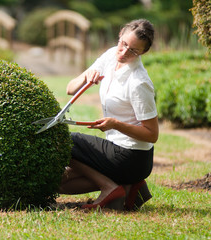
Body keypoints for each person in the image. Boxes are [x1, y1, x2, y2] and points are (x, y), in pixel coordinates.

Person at [59, 19, 159, 211]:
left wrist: (115, 124)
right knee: (60, 183)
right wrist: (86, 78)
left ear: (143, 53)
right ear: (120, 35)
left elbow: (152, 134)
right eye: (123, 44)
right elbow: (70, 89)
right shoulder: (110, 56)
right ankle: (128, 186)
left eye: (133, 51)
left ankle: (109, 187)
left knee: (64, 139)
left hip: (133, 156)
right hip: (117, 152)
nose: (124, 52)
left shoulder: (139, 83)